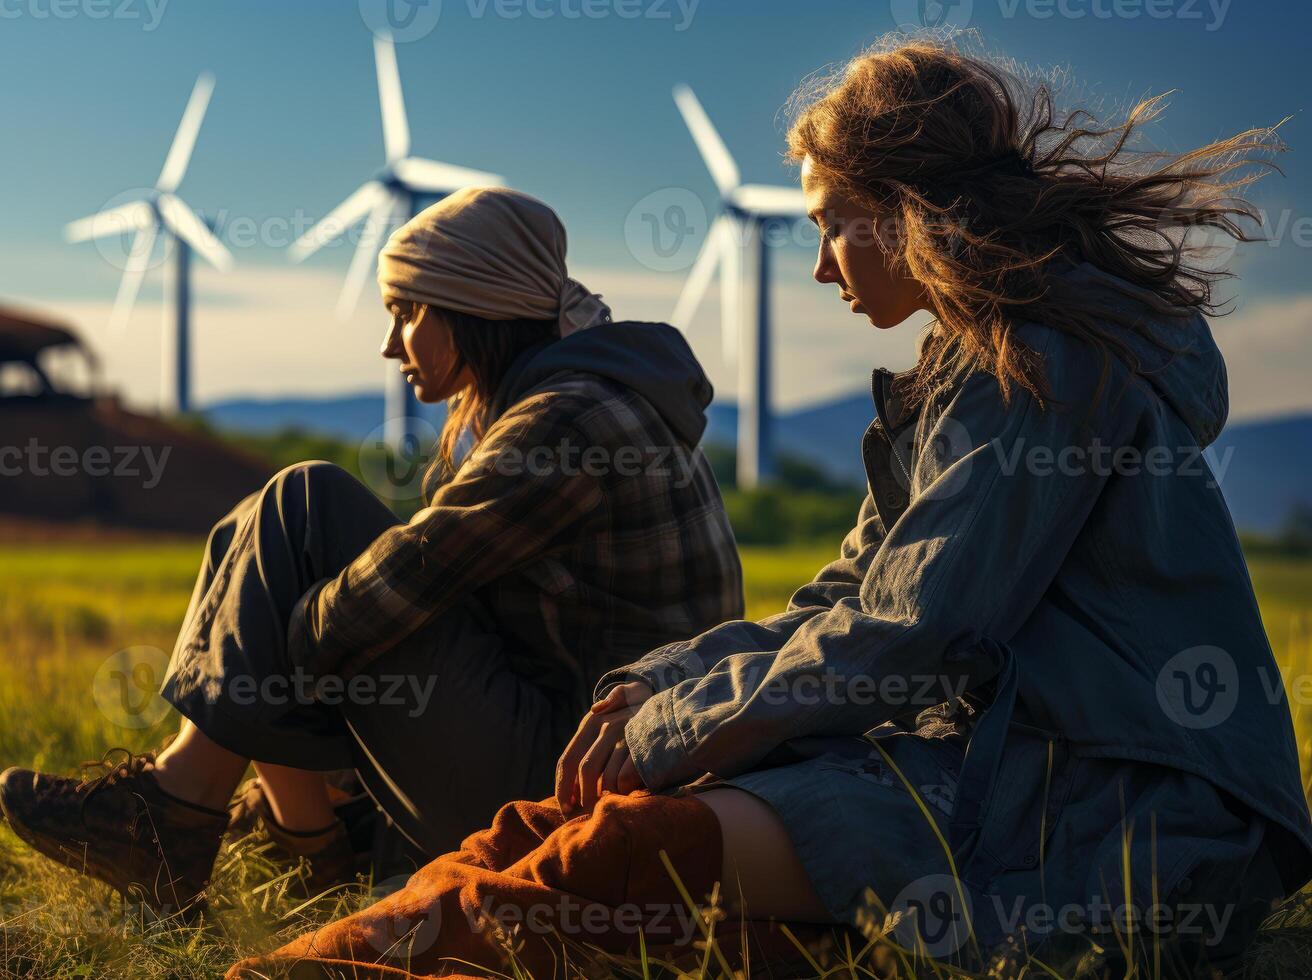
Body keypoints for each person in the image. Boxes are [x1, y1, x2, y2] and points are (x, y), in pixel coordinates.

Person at [228, 34, 1312, 978]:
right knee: (559, 826)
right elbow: (848, 591)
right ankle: (310, 962)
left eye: (832, 223)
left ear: (910, 210)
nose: (819, 267)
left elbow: (913, 628)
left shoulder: (1041, 367)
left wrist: (674, 726)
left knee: (612, 855)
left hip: (1118, 808)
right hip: (988, 762)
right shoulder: (960, 369)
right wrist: (662, 679)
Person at [0, 187, 744, 916]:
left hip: (574, 787)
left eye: (408, 313)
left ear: (474, 309)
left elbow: (386, 599)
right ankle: (297, 839)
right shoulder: (586, 397)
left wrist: (264, 633)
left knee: (304, 503)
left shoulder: (572, 419)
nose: (391, 346)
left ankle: (187, 810)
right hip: (565, 754)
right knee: (250, 531)